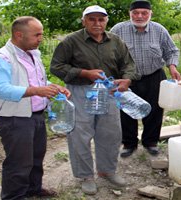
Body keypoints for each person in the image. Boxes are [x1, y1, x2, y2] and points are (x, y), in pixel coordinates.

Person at [50, 5, 139, 195]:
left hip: (109, 91)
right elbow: (56, 66)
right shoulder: (71, 42)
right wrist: (84, 73)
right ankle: (86, 176)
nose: (97, 23)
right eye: (92, 19)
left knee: (110, 134)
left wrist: (127, 80)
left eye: (101, 19)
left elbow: (129, 65)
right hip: (80, 91)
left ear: (106, 21)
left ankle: (107, 171)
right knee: (79, 135)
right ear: (84, 21)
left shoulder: (116, 41)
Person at [0, 16, 70, 200]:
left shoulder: (32, 54)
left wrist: (52, 87)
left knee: (36, 157)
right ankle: (14, 196)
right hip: (15, 118)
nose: (41, 38)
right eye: (37, 34)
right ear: (19, 35)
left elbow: (36, 81)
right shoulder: (0, 59)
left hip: (36, 115)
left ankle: (33, 189)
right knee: (19, 162)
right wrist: (36, 91)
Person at [110, 0, 181, 157]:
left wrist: (172, 66)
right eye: (135, 13)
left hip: (154, 75)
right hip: (127, 78)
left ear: (150, 14)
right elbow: (109, 53)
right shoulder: (118, 30)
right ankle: (129, 144)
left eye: (144, 13)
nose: (140, 16)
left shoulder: (159, 30)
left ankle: (150, 142)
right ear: (130, 14)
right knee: (127, 111)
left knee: (155, 110)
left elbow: (172, 51)